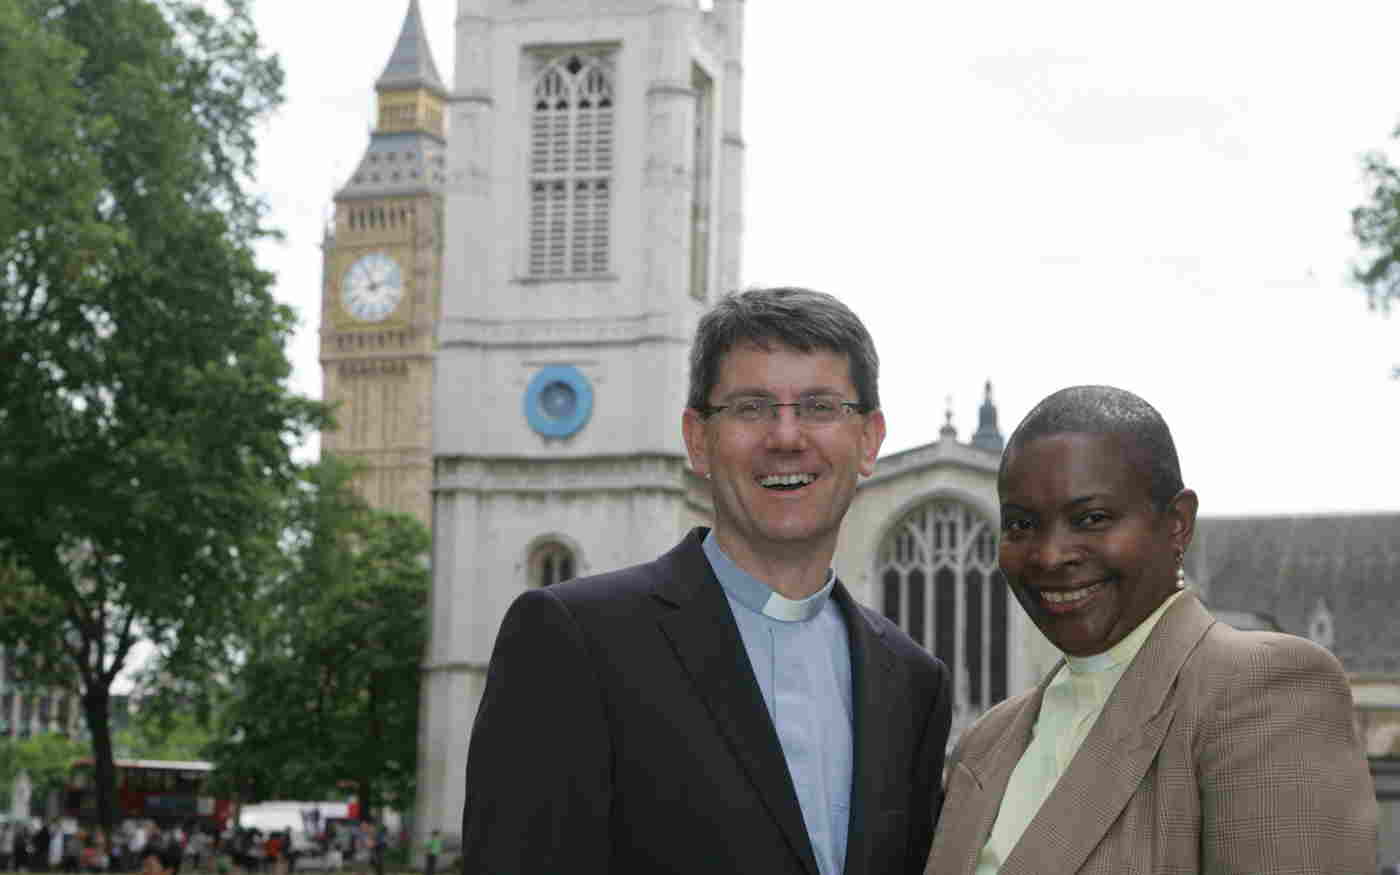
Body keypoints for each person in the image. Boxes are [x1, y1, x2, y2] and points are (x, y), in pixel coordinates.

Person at [461, 287, 953, 874]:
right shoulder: (574, 640)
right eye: (751, 408)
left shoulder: (915, 683)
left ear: (869, 440)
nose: (786, 437)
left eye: (820, 407)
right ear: (698, 441)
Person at [923, 385, 1378, 874]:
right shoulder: (986, 742)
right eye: (1020, 525)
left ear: (1178, 523)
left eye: (1091, 518)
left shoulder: (1261, 692)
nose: (1050, 556)